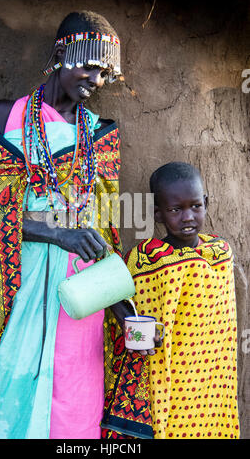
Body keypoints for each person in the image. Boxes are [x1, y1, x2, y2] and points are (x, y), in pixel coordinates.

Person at [0, 11, 129, 439]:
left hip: (79, 291)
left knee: (73, 389)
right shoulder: (5, 118)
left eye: (104, 72)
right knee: (7, 379)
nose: (96, 79)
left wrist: (121, 304)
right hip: (18, 281)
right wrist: (57, 234)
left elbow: (103, 229)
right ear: (59, 54)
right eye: (88, 64)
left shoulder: (99, 134)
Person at [101, 162, 240, 439]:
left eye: (196, 206)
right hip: (163, 378)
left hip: (212, 381)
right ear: (158, 213)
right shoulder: (143, 260)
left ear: (206, 203)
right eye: (176, 210)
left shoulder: (219, 254)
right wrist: (135, 330)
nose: (188, 216)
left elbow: (224, 325)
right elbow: (121, 309)